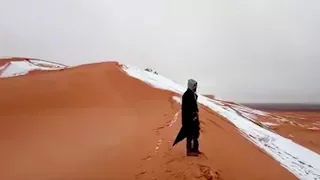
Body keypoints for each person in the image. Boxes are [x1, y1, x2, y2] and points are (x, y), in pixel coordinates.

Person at [181, 79, 201, 156]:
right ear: (191, 85)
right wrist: (191, 116)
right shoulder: (186, 95)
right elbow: (186, 109)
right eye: (194, 86)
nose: (196, 87)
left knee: (196, 133)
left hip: (195, 117)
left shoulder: (193, 94)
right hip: (189, 119)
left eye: (196, 86)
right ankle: (189, 151)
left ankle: (195, 149)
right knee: (189, 134)